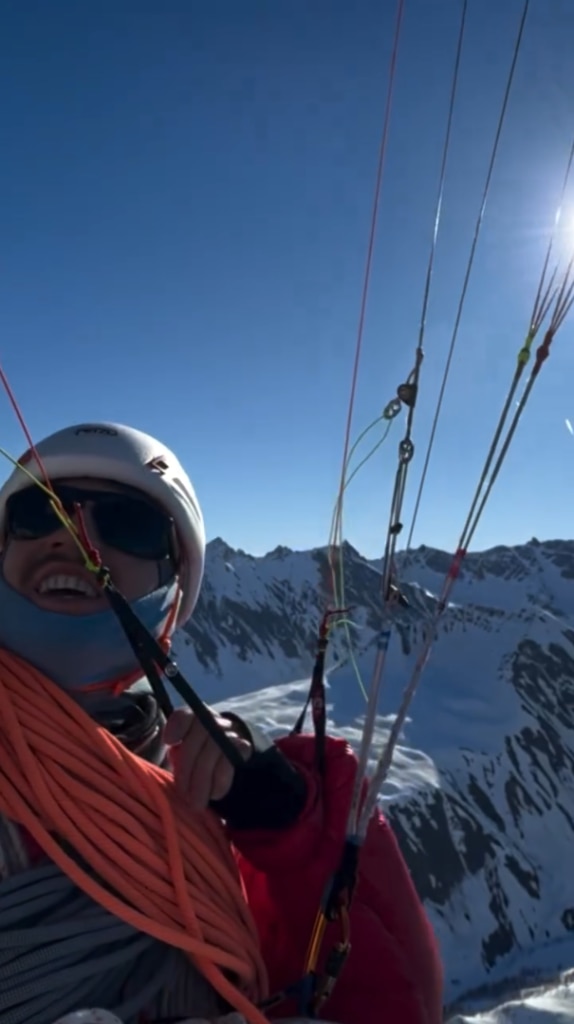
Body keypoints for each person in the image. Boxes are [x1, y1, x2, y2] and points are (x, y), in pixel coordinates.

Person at [0, 421, 444, 1024]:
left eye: (127, 523)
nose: (72, 536)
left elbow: (389, 1006)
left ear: (173, 602)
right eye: (35, 513)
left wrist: (290, 825)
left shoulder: (205, 809)